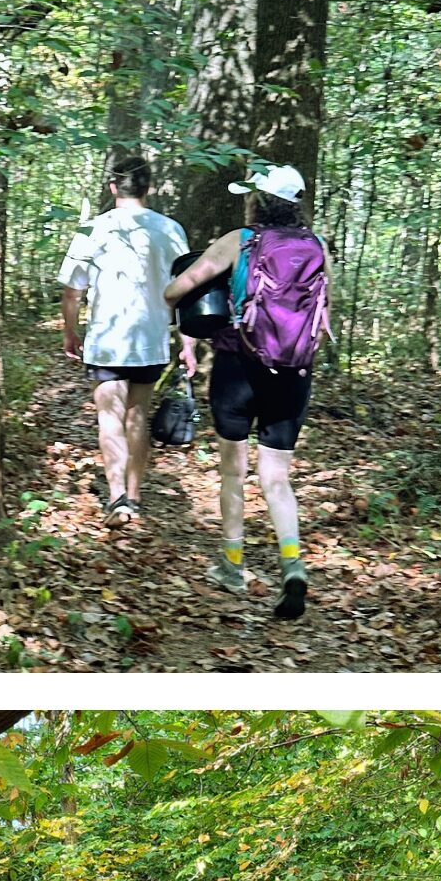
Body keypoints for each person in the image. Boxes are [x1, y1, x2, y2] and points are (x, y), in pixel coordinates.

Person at [163, 164, 331, 620]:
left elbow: (178, 289)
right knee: (277, 478)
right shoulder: (317, 246)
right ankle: (292, 565)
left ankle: (233, 566)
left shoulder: (240, 240)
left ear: (258, 200)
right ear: (298, 204)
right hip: (294, 373)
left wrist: (179, 302)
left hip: (238, 369)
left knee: (234, 473)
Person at [59, 156, 196, 528]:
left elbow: (73, 290)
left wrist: (71, 331)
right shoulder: (170, 230)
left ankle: (117, 496)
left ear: (113, 188)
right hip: (150, 338)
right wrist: (187, 342)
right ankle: (134, 498)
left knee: (110, 416)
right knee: (137, 414)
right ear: (148, 187)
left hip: (106, 338)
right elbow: (185, 291)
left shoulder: (93, 229)